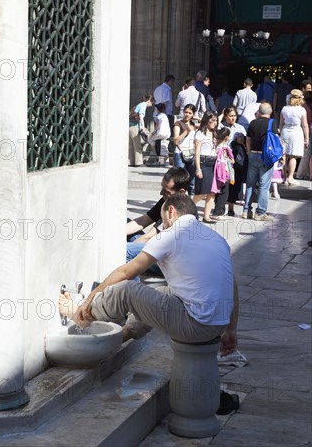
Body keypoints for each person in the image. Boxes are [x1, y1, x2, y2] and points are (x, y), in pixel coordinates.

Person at [59, 193, 239, 356]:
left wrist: (89, 299)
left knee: (127, 290)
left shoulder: (171, 235)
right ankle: (123, 336)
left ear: (171, 211)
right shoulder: (216, 238)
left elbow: (125, 273)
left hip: (194, 325)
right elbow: (232, 285)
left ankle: (83, 316)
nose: (163, 225)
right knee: (162, 293)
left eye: (162, 220)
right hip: (218, 325)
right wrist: (231, 329)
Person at [126, 167, 196, 266]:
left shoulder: (184, 210)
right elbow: (143, 220)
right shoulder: (169, 198)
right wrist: (114, 235)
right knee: (125, 222)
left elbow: (149, 238)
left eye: (166, 191)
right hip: (156, 245)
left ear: (181, 192)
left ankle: (131, 280)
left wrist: (119, 247)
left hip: (169, 260)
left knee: (125, 251)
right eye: (162, 187)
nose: (161, 193)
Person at [242, 102, 278, 221]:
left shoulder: (252, 122)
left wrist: (249, 152)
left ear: (259, 111)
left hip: (252, 155)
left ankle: (246, 210)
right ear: (270, 112)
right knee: (264, 186)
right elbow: (275, 140)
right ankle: (261, 212)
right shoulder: (272, 123)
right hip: (265, 157)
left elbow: (248, 140)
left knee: (250, 184)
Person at [212, 106, 247, 219]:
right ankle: (219, 207)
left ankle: (231, 207)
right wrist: (221, 115)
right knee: (222, 184)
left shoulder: (240, 128)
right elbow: (215, 126)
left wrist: (241, 142)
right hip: (222, 160)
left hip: (236, 159)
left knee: (234, 184)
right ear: (226, 116)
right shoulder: (221, 126)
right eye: (230, 116)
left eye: (235, 116)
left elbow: (246, 142)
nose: (233, 118)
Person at [193, 111, 219, 223]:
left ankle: (206, 216)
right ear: (206, 120)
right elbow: (197, 153)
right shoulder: (199, 134)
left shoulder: (215, 134)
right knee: (203, 191)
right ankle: (188, 206)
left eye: (216, 120)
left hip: (214, 162)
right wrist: (198, 168)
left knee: (212, 191)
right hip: (204, 162)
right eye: (212, 120)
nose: (215, 123)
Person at [279, 89, 309, 185]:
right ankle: (290, 177)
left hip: (285, 130)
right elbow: (304, 125)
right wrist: (306, 138)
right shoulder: (301, 110)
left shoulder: (284, 108)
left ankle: (283, 177)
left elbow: (280, 124)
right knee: (293, 156)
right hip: (296, 132)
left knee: (284, 155)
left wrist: (280, 134)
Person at [172, 104, 198, 195]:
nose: (187, 114)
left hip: (191, 153)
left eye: (190, 113)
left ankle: (189, 200)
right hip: (180, 153)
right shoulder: (178, 124)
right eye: (186, 112)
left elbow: (206, 121)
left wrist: (196, 119)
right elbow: (175, 140)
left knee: (191, 180)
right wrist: (187, 131)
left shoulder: (193, 124)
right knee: (180, 178)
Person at [128, 94, 154, 167]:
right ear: (149, 101)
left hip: (129, 125)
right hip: (135, 126)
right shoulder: (143, 105)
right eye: (152, 103)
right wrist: (143, 126)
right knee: (137, 145)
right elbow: (141, 115)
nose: (151, 105)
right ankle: (139, 163)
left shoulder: (138, 105)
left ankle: (131, 162)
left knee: (131, 145)